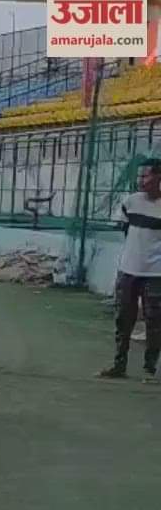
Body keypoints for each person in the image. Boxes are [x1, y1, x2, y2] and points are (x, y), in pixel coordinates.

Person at [99, 158, 161, 383]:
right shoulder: (131, 202)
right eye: (140, 176)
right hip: (128, 270)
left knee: (155, 321)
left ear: (159, 178)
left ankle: (150, 367)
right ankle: (119, 364)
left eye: (146, 176)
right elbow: (125, 230)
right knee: (123, 318)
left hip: (156, 274)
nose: (141, 180)